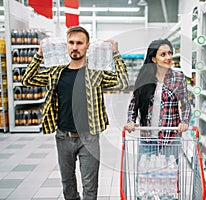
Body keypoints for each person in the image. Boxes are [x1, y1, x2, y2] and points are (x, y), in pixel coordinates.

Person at [22, 26, 129, 200]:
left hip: (89, 138)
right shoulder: (55, 72)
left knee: (90, 187)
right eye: (71, 42)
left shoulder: (96, 73)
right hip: (63, 136)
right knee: (68, 186)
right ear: (66, 45)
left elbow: (123, 83)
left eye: (79, 43)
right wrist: (39, 54)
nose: (75, 47)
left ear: (88, 46)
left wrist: (115, 54)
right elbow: (27, 79)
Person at [126, 38, 192, 160]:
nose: (168, 57)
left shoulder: (178, 78)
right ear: (154, 59)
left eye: (170, 53)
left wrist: (185, 121)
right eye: (163, 54)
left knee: (170, 177)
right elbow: (133, 104)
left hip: (170, 138)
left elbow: (185, 104)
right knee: (144, 176)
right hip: (147, 139)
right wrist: (131, 120)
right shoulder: (144, 78)